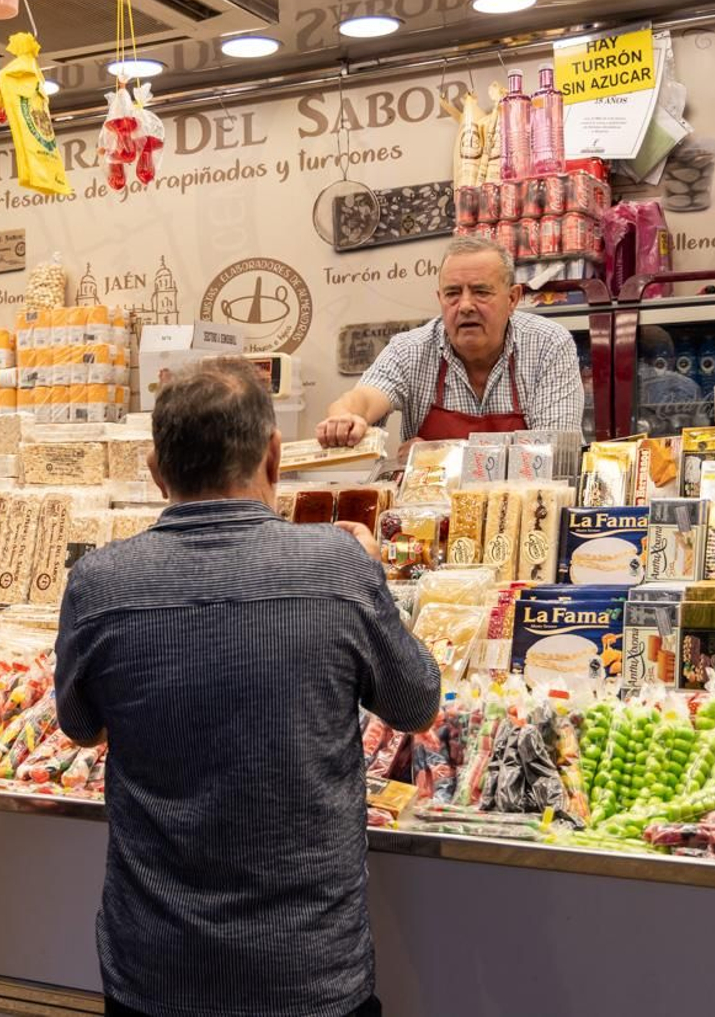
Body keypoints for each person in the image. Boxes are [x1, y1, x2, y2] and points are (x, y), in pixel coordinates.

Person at [56, 357, 441, 1017]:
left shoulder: (99, 582)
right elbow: (416, 702)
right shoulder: (339, 565)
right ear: (272, 455)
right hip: (307, 974)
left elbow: (80, 725)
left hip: (156, 970)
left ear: (156, 468)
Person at [316, 237, 585, 451]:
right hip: (430, 516)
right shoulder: (410, 349)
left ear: (512, 299)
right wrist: (344, 417)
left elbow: (555, 452)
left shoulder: (548, 344)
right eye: (453, 294)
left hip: (525, 511)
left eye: (481, 292)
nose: (465, 306)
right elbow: (363, 399)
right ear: (440, 298)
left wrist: (438, 456)